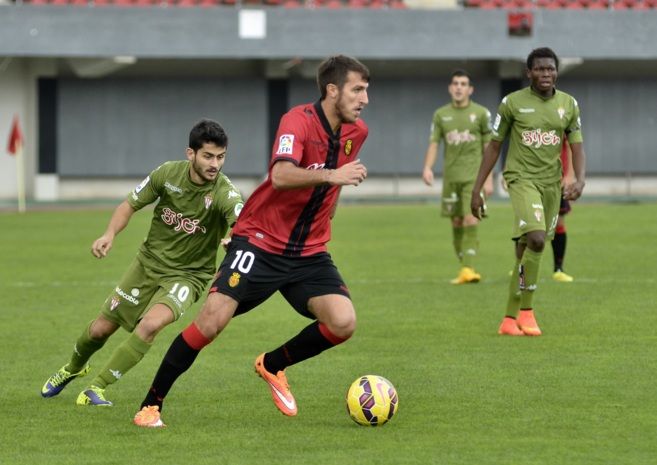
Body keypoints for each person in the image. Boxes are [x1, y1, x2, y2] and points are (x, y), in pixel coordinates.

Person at [132, 54, 370, 428]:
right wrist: (332, 176)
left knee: (343, 322)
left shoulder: (357, 133)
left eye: (366, 90)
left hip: (307, 252)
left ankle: (272, 364)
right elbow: (281, 175)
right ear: (332, 89)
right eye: (358, 89)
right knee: (211, 322)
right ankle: (151, 405)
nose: (364, 99)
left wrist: (329, 211)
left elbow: (333, 188)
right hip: (260, 240)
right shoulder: (298, 121)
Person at [41, 120, 244, 405]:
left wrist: (234, 238)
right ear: (191, 153)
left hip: (188, 276)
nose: (215, 164)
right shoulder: (167, 174)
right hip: (147, 265)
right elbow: (129, 204)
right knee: (100, 329)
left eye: (221, 157)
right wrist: (109, 234)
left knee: (150, 325)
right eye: (208, 156)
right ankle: (73, 368)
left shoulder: (225, 192)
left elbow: (242, 221)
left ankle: (97, 388)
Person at [470, 47, 586, 336]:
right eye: (539, 69)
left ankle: (509, 320)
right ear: (529, 72)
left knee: (526, 250)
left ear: (556, 72)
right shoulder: (512, 103)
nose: (545, 74)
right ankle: (527, 312)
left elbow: (577, 145)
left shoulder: (569, 104)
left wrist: (580, 179)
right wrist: (477, 188)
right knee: (536, 239)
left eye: (550, 69)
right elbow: (494, 145)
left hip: (551, 184)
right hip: (521, 179)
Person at [422, 69, 493, 284]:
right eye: (456, 83)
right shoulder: (440, 115)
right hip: (451, 177)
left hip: (474, 177)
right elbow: (434, 143)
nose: (459, 87)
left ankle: (468, 268)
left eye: (463, 84)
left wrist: (489, 177)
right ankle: (464, 264)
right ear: (450, 88)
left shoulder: (481, 113)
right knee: (456, 223)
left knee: (471, 217)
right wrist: (427, 167)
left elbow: (489, 145)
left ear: (470, 89)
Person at [552, 140, 575, 282]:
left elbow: (572, 145)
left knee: (558, 222)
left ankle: (558, 269)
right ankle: (521, 269)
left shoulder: (564, 117)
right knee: (526, 223)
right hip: (532, 179)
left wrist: (570, 174)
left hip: (558, 180)